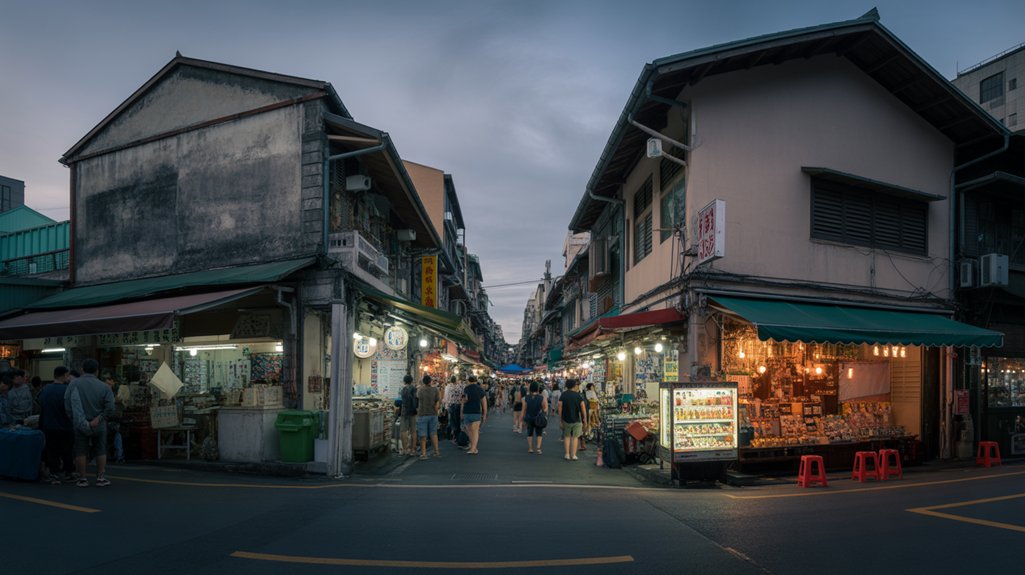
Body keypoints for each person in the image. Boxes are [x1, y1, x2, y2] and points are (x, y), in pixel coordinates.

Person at [64, 359, 115, 487]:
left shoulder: (73, 384)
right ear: (97, 372)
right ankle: (101, 477)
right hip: (99, 423)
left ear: (82, 370)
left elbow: (67, 403)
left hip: (80, 423)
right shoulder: (104, 387)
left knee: (81, 450)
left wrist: (74, 419)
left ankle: (82, 478)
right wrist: (100, 418)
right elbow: (110, 407)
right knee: (100, 450)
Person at [38, 366, 75, 483]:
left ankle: (54, 474)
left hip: (49, 425)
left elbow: (40, 403)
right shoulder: (68, 390)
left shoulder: (46, 389)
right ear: (64, 375)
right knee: (67, 450)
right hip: (66, 426)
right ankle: (69, 472)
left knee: (52, 450)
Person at [559, 379, 587, 461]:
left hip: (566, 419)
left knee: (567, 436)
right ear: (574, 385)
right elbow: (583, 407)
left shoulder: (563, 395)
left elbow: (560, 407)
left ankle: (567, 454)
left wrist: (560, 420)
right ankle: (574, 455)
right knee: (575, 437)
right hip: (577, 420)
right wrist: (585, 418)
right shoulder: (578, 395)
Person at [416, 375, 441, 460]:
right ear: (430, 381)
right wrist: (436, 408)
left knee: (423, 435)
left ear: (423, 382)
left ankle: (423, 454)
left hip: (422, 414)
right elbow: (438, 402)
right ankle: (437, 452)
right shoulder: (435, 390)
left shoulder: (420, 390)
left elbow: (417, 398)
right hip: (433, 414)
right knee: (433, 433)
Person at [460, 375, 487, 455]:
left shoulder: (466, 389)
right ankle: (473, 448)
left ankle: (473, 447)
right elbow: (484, 401)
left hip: (467, 411)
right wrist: (485, 413)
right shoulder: (480, 389)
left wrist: (461, 412)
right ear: (476, 381)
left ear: (469, 380)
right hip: (476, 412)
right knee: (475, 431)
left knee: (469, 431)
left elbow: (463, 401)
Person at [102, 372, 125, 463]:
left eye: (108, 382)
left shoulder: (117, 394)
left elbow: (120, 407)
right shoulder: (105, 393)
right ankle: (114, 455)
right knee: (113, 437)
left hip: (113, 419)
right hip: (106, 419)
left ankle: (119, 456)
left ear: (113, 382)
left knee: (116, 436)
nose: (107, 384)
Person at [523, 381, 548, 454]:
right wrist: (542, 411)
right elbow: (546, 408)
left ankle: (530, 448)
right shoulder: (542, 398)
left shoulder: (526, 398)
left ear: (530, 388)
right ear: (538, 388)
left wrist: (522, 419)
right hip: (538, 418)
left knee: (529, 433)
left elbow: (524, 409)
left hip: (529, 417)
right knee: (539, 433)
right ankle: (538, 448)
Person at [398, 375, 418, 456]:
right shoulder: (414, 389)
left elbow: (399, 401)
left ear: (404, 381)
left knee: (403, 430)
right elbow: (417, 399)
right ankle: (413, 450)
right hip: (413, 412)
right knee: (413, 431)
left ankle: (405, 449)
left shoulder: (402, 389)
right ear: (411, 381)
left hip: (404, 411)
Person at [442, 376, 464, 444]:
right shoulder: (460, 386)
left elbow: (446, 397)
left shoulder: (448, 387)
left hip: (451, 405)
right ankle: (457, 436)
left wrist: (445, 406)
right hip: (458, 405)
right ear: (456, 380)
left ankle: (451, 435)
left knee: (451, 421)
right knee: (457, 421)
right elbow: (462, 396)